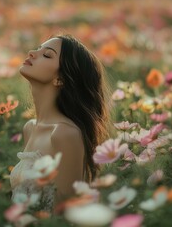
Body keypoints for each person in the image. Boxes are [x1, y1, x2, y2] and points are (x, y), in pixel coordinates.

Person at [9, 34, 109, 212]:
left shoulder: (65, 134)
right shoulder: (30, 128)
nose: (32, 52)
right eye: (38, 48)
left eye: (47, 55)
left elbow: (66, 214)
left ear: (61, 79)